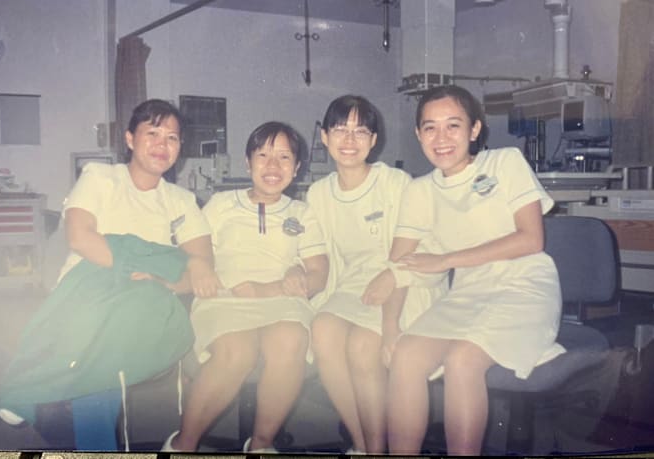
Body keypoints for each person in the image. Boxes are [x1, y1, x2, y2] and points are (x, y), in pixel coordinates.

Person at [0, 99, 217, 451]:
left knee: (114, 324)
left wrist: (164, 277)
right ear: (129, 138)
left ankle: (27, 388)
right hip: (88, 288)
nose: (162, 144)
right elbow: (80, 238)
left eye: (172, 137)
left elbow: (200, 269)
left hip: (147, 296)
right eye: (152, 133)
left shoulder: (181, 200)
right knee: (106, 332)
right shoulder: (100, 177)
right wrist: (148, 260)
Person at [363, 85, 564, 455]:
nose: (441, 138)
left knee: (462, 360)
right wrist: (390, 328)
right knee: (404, 355)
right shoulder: (419, 191)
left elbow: (531, 239)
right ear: (418, 134)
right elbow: (400, 267)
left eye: (453, 126)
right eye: (430, 128)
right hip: (469, 293)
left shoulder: (504, 163)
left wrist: (445, 260)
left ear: (474, 129)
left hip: (523, 287)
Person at [162, 121, 329, 453]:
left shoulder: (303, 213)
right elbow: (192, 253)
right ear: (248, 162)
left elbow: (318, 274)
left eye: (284, 157)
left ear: (297, 167)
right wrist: (196, 269)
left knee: (291, 340)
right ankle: (182, 446)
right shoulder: (221, 204)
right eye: (263, 155)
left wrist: (295, 278)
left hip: (282, 299)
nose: (272, 166)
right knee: (238, 352)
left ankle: (261, 445)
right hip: (225, 296)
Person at [307, 95, 447, 454]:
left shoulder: (396, 183)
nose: (349, 140)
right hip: (353, 285)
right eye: (340, 129)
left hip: (406, 282)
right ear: (324, 136)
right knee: (322, 330)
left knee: (361, 345)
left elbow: (425, 248)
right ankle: (364, 444)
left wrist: (392, 278)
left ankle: (375, 449)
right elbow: (313, 251)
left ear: (373, 140)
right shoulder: (318, 194)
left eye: (360, 132)